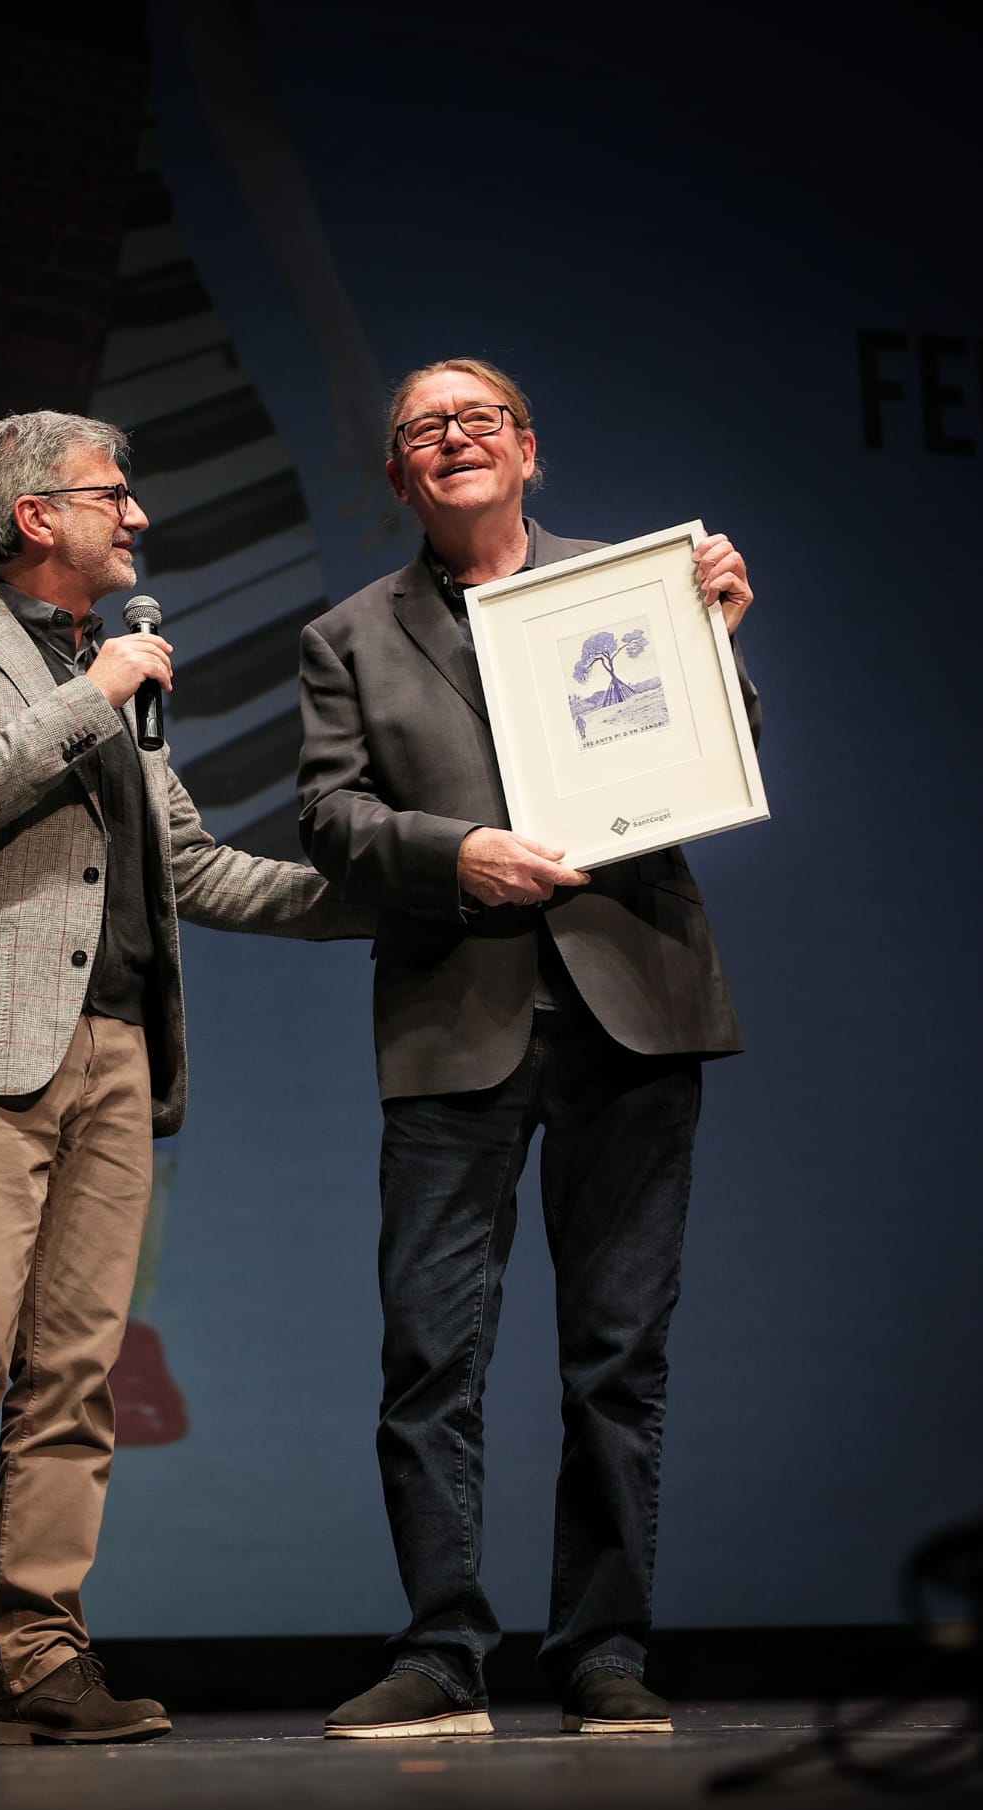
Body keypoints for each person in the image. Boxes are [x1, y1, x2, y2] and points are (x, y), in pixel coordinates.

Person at [0, 407, 370, 1749]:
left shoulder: (115, 676)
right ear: (40, 517)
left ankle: (38, 1651)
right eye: (113, 496)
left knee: (76, 1371)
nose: (137, 518)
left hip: (117, 1055)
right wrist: (94, 697)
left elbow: (190, 865)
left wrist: (387, 899)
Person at [296, 356, 759, 1738]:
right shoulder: (347, 638)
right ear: (395, 476)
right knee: (429, 1357)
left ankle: (601, 1648)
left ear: (527, 448)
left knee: (616, 1355)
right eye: (423, 429)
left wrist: (714, 638)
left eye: (477, 419)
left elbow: (717, 753)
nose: (453, 439)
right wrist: (458, 854)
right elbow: (328, 817)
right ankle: (441, 1653)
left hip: (634, 1001)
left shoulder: (629, 587)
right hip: (456, 1014)